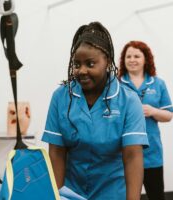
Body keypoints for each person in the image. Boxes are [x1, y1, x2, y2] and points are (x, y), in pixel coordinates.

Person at [41, 22, 149, 200]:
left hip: (112, 192)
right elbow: (57, 153)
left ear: (107, 61)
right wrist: (56, 196)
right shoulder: (61, 97)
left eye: (90, 64)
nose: (82, 70)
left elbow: (132, 157)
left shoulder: (128, 100)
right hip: (71, 192)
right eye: (77, 64)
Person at [118, 41, 173, 200]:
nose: (132, 59)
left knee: (156, 196)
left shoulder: (158, 83)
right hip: (123, 154)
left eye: (137, 56)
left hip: (152, 154)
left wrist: (153, 111)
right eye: (128, 56)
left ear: (145, 59)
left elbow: (169, 115)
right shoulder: (116, 84)